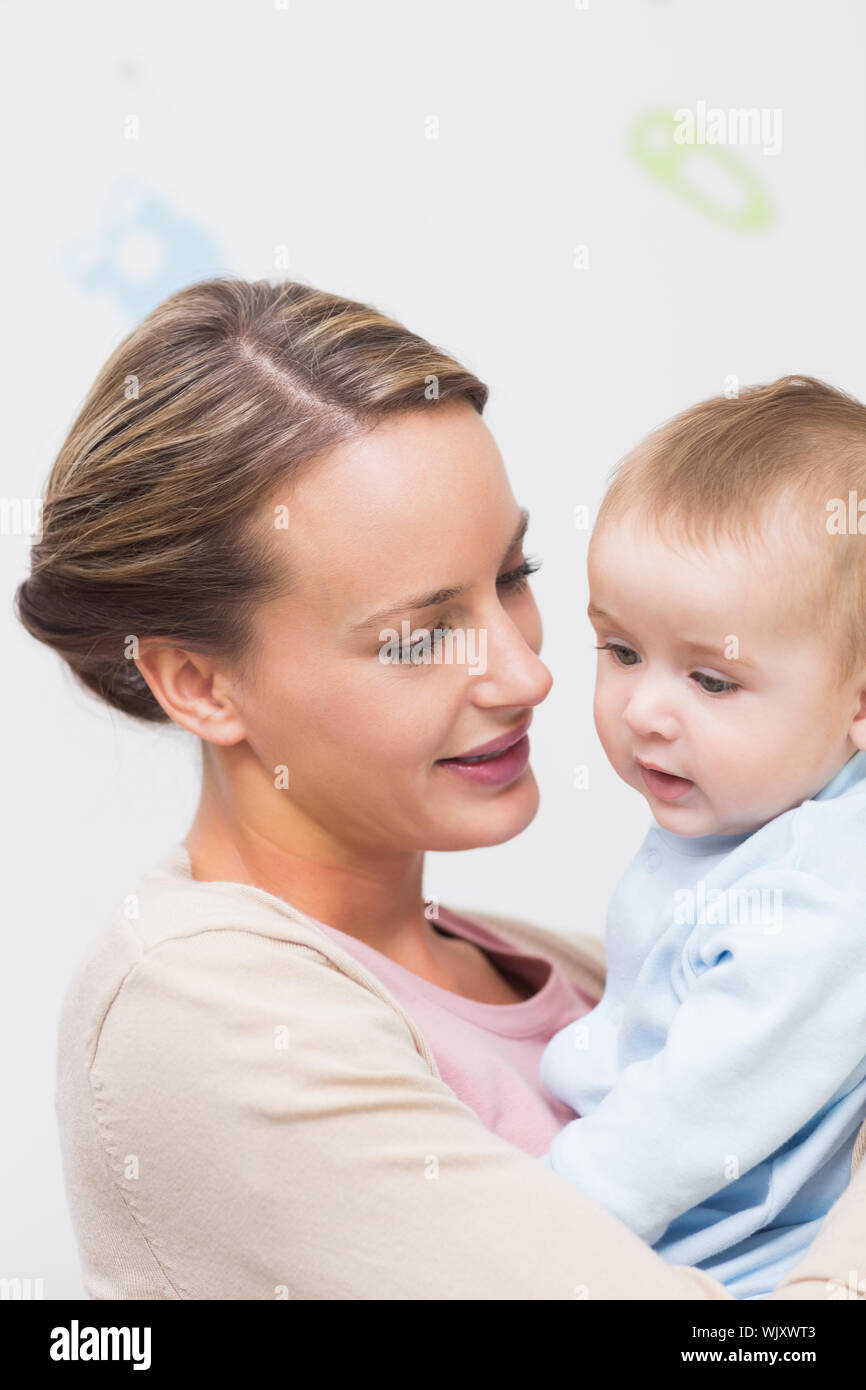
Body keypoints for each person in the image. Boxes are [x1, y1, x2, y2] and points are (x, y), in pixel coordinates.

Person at [16, 281, 866, 1298]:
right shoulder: (203, 1018)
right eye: (420, 635)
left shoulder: (587, 963)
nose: (526, 674)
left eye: (513, 575)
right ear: (199, 682)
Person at [539, 377, 866, 1299]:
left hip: (723, 1279)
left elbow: (688, 1121)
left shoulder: (821, 901)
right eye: (623, 651)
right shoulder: (760, 816)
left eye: (712, 681)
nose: (646, 710)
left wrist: (529, 1226)